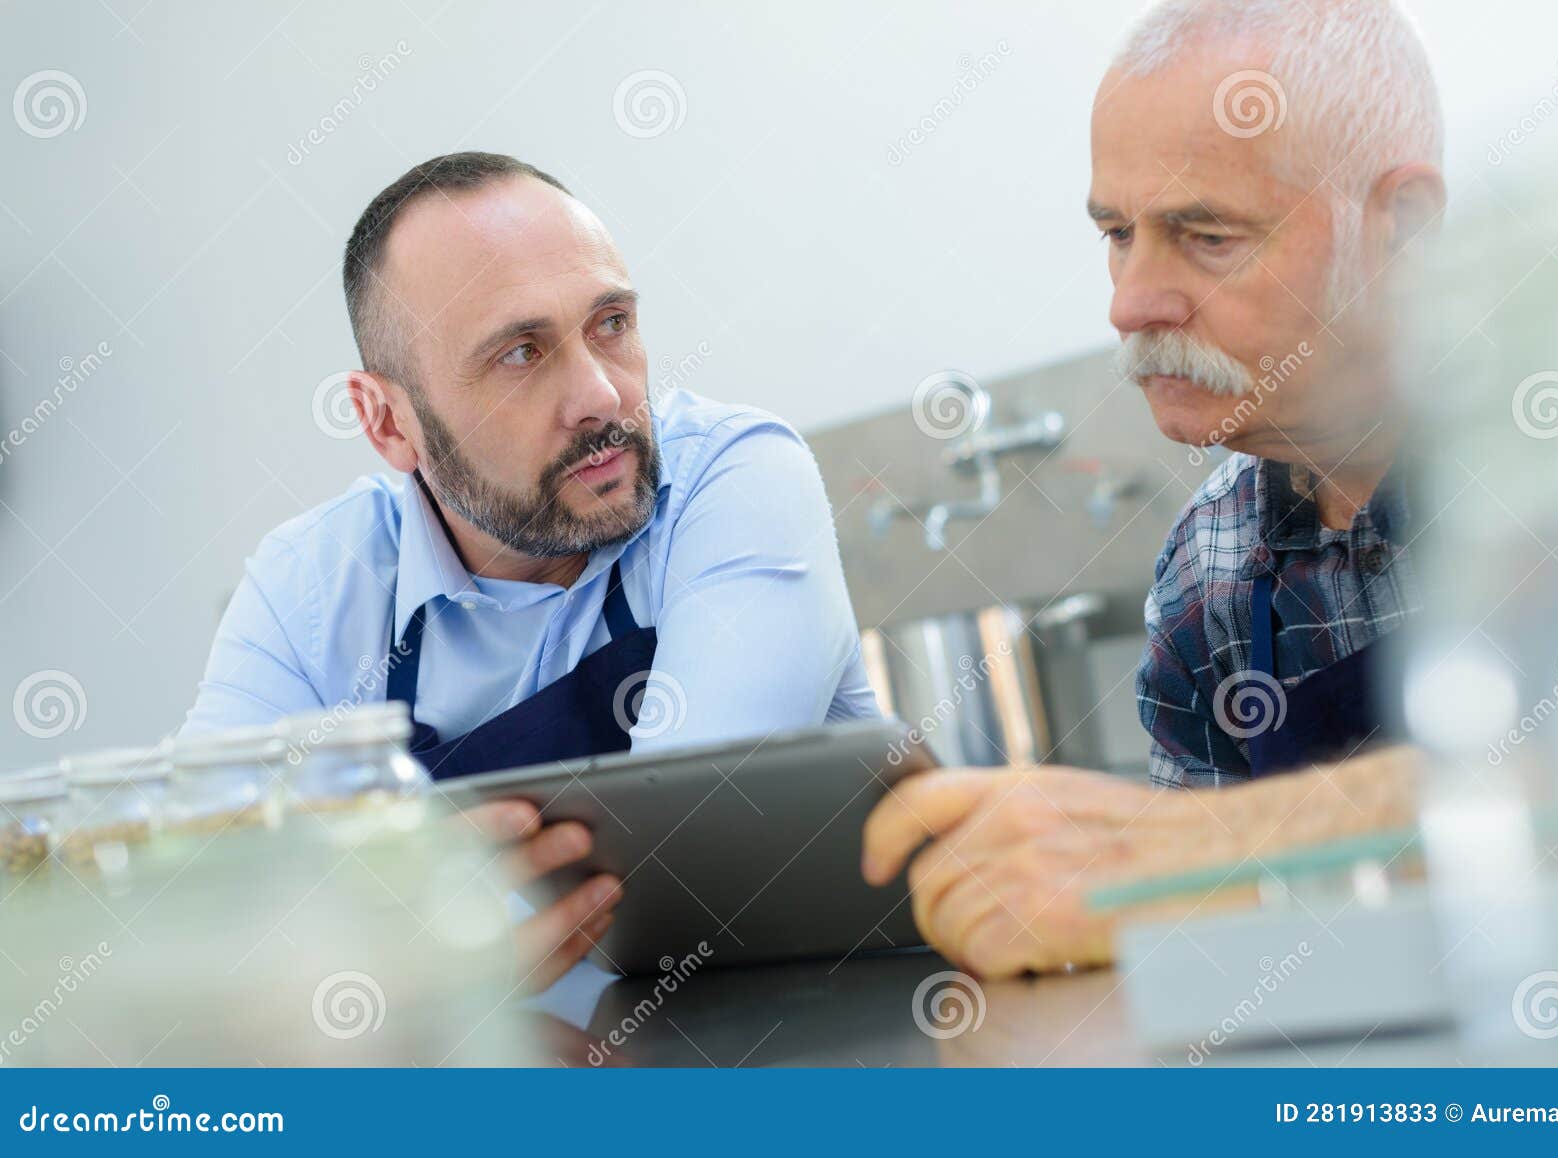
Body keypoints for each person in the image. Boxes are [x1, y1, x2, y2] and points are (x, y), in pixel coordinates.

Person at [182, 151, 879, 987]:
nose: (601, 397)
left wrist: (379, 935)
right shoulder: (308, 589)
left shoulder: (736, 477)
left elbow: (693, 845)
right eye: (521, 353)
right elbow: (200, 907)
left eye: (611, 324)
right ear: (388, 421)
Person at [863, 0, 1445, 976]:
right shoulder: (1208, 566)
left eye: (1207, 236)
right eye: (1116, 233)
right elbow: (1226, 966)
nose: (1129, 301)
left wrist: (1178, 857)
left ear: (1402, 224)